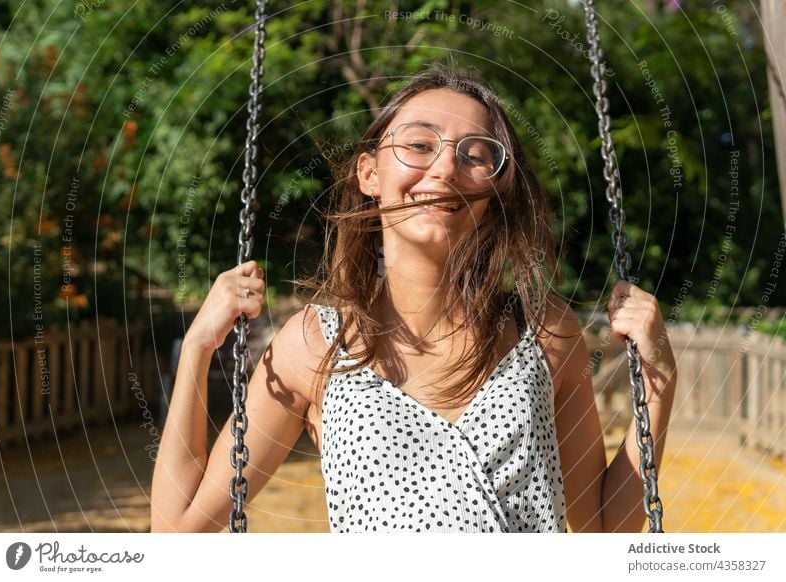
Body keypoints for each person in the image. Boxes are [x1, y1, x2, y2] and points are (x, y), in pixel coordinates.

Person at [150, 65, 677, 533]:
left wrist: (659, 382)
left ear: (498, 191)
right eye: (420, 145)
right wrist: (198, 345)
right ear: (369, 174)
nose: (446, 170)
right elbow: (177, 531)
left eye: (476, 155)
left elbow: (605, 529)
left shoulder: (543, 332)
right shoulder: (314, 345)